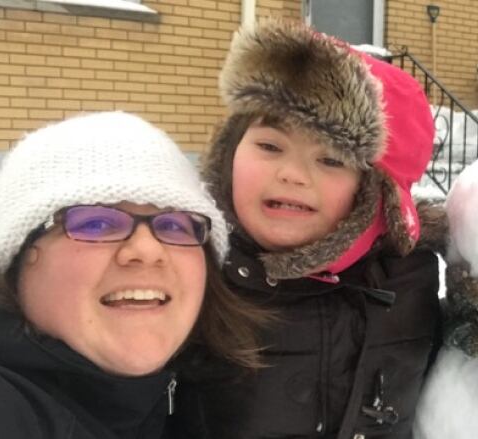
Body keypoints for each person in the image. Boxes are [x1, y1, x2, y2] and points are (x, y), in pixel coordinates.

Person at [172, 21, 445, 439]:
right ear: (230, 150)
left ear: (374, 194)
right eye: (269, 146)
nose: (292, 174)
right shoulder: (193, 275)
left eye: (332, 160)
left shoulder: (409, 276)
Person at [0, 111, 267, 439]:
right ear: (17, 257)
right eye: (95, 223)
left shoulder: (186, 403)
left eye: (174, 225)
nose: (147, 250)